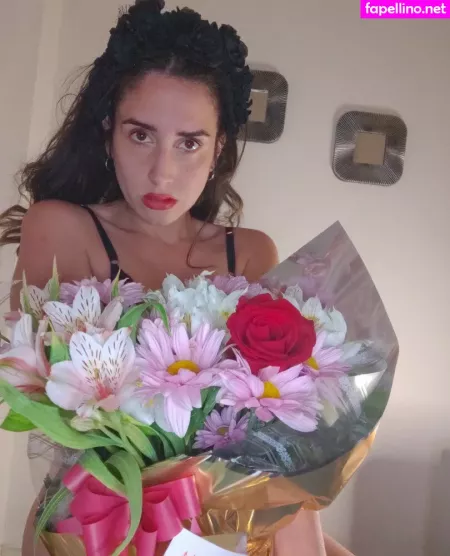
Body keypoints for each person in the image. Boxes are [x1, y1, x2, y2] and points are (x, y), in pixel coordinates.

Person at [0, 2, 353, 554]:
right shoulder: (62, 228)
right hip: (95, 523)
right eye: (141, 135)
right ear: (108, 132)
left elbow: (276, 436)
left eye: (189, 142)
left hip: (217, 526)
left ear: (218, 150)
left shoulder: (250, 253)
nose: (162, 172)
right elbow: (61, 410)